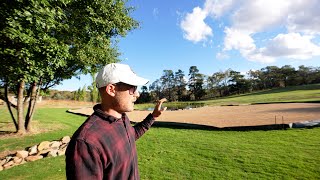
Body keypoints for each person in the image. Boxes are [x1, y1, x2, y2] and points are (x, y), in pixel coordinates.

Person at [65, 63, 167, 180]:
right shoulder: (86, 143)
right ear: (111, 90)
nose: (137, 94)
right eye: (133, 88)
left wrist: (153, 116)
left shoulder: (122, 118)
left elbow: (131, 135)